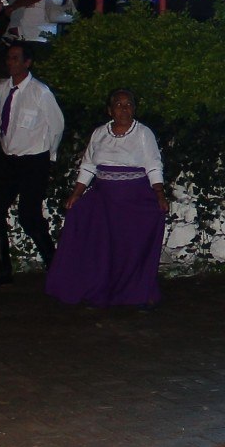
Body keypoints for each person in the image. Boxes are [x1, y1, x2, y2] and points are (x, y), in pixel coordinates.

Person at [46, 89, 168, 308]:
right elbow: (88, 166)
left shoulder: (143, 133)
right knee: (99, 244)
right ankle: (98, 288)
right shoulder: (100, 133)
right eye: (119, 105)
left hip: (133, 199)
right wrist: (76, 194)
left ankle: (136, 293)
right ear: (110, 110)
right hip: (103, 199)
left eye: (128, 104)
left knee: (130, 247)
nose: (124, 109)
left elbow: (153, 165)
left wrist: (159, 194)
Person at [0, 42, 64, 285]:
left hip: (34, 160)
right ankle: (1, 269)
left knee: (29, 215)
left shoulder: (40, 92)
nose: (11, 62)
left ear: (27, 63)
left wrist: (49, 155)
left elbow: (56, 125)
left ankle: (55, 264)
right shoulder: (2, 90)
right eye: (9, 58)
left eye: (16, 58)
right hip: (9, 159)